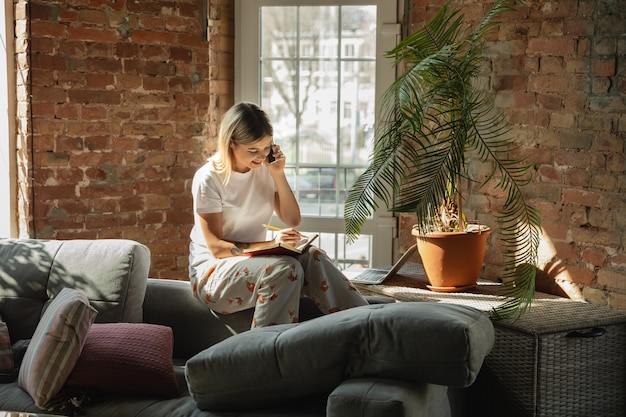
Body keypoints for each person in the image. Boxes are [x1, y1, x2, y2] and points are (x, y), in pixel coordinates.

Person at [188, 102, 368, 328]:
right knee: (286, 268)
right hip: (213, 273)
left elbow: (292, 219)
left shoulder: (264, 169)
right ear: (231, 143)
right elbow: (216, 247)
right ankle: (265, 352)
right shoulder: (209, 178)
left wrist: (278, 174)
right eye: (252, 150)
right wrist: (272, 244)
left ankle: (367, 326)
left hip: (257, 262)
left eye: (266, 148)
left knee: (313, 255)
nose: (260, 156)